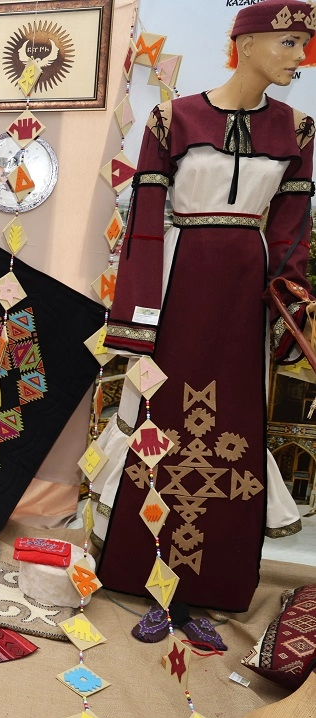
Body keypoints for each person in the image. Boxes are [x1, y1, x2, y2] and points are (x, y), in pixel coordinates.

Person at [96, 0, 315, 648]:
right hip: (181, 286)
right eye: (288, 43)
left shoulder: (299, 131)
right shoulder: (173, 118)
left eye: (303, 45)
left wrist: (288, 304)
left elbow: (291, 235)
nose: (300, 57)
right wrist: (139, 322)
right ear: (245, 44)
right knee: (162, 423)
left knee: (232, 433)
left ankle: (211, 585)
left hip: (243, 297)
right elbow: (144, 225)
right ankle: (150, 579)